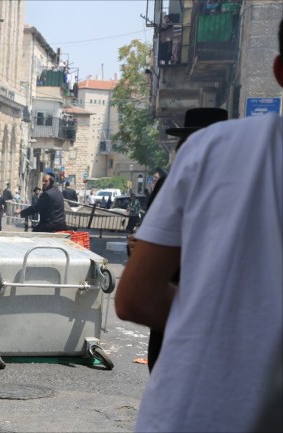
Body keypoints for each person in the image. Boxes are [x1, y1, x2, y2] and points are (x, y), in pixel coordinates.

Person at [116, 22, 283, 432]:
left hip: (194, 402)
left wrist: (212, 315)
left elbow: (138, 292)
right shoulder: (202, 158)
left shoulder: (209, 154)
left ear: (278, 71)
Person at [132, 108, 227, 372]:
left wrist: (140, 254)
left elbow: (132, 299)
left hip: (176, 297)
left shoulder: (175, 183)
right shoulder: (243, 186)